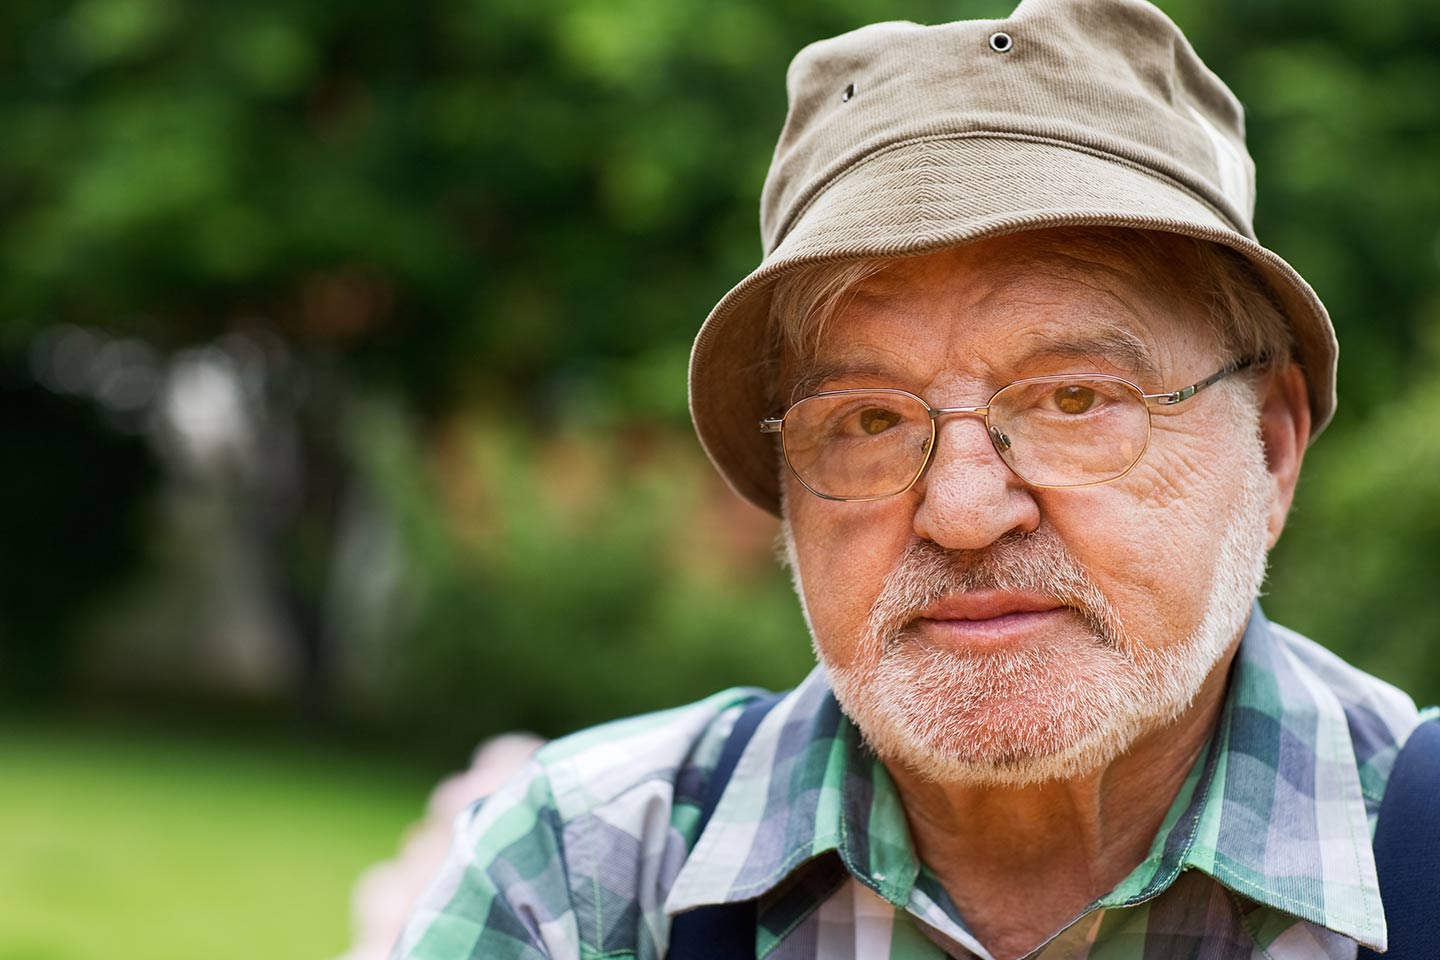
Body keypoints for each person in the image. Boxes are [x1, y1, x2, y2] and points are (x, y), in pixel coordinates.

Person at [392, 1, 1438, 957]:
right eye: (871, 420)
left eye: (1075, 400)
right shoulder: (585, 875)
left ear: (1272, 446)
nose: (966, 510)